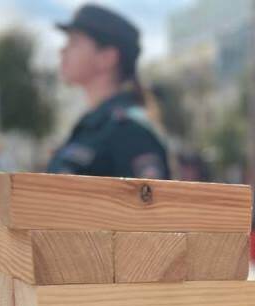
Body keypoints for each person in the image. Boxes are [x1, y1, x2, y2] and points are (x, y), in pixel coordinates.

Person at [50, 4, 170, 179]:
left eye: (74, 42)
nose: (62, 50)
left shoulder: (130, 131)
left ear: (107, 58)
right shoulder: (91, 126)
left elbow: (146, 202)